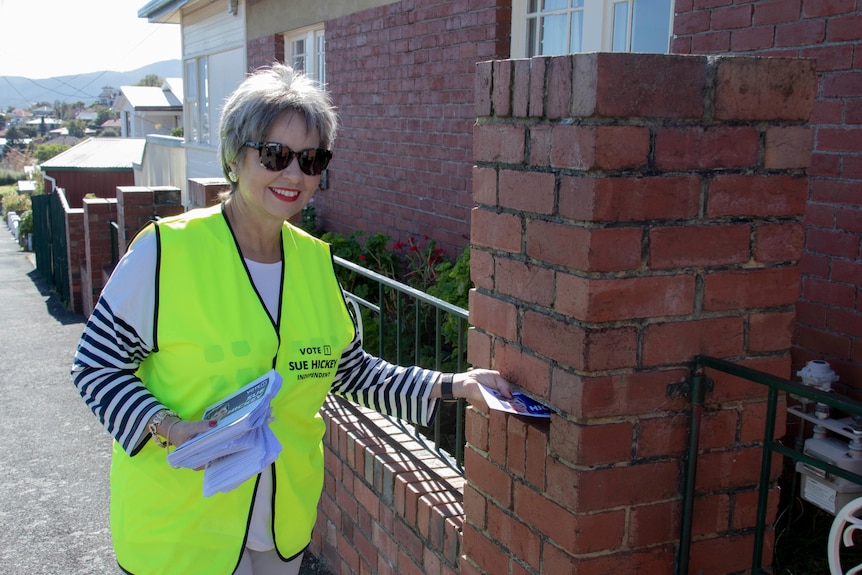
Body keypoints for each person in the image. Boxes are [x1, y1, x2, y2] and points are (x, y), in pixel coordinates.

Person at [71, 63, 512, 575]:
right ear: (236, 157)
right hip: (180, 533)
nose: (294, 174)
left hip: (280, 528)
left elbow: (351, 373)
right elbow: (95, 368)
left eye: (311, 159)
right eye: (276, 155)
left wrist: (458, 384)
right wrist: (170, 426)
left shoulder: (315, 262)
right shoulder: (165, 252)